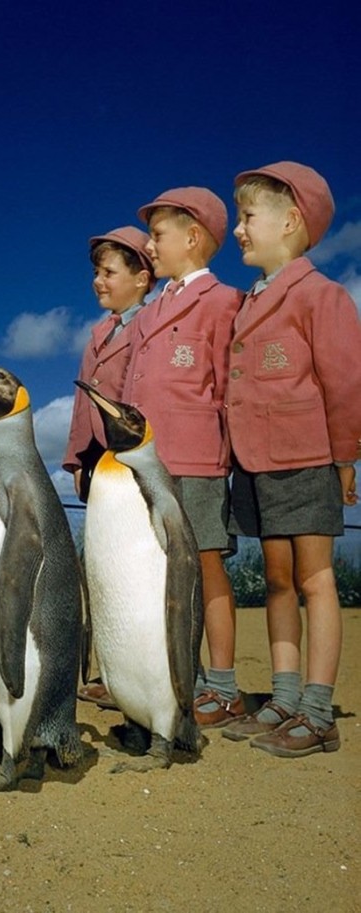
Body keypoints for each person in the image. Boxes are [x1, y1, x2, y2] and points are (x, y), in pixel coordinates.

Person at [221, 161, 361, 757]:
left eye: (248, 217)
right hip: (254, 463)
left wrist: (346, 458)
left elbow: (346, 383)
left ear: (291, 220)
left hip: (306, 457)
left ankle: (318, 708)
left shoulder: (322, 296)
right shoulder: (247, 303)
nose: (238, 230)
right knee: (276, 580)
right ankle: (282, 697)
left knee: (314, 578)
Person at [121, 186, 244, 729]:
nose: (149, 245)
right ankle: (177, 677)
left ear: (193, 237)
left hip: (197, 460)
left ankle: (222, 686)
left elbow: (231, 385)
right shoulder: (147, 314)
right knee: (156, 570)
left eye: (158, 235)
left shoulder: (224, 302)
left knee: (207, 565)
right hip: (144, 464)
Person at [63, 225, 155, 708]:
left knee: (137, 569)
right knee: (102, 569)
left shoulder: (151, 326)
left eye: (110, 271)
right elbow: (83, 405)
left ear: (142, 278)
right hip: (100, 463)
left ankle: (148, 670)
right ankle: (110, 669)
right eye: (97, 272)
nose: (99, 280)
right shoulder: (97, 334)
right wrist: (76, 457)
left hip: (130, 459)